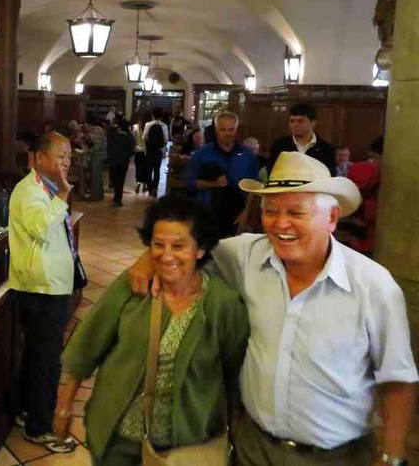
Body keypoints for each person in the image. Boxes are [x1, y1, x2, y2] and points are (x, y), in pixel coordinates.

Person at [129, 152, 418, 466]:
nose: (280, 224)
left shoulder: (373, 286)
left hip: (338, 458)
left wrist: (392, 456)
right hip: (253, 448)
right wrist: (149, 258)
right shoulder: (245, 256)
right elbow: (187, 247)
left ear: (332, 218)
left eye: (296, 212)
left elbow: (397, 379)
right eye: (270, 211)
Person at [55, 195, 249, 465]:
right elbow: (89, 342)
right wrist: (65, 404)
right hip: (118, 438)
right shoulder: (134, 285)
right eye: (158, 244)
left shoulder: (223, 304)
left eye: (179, 246)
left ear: (200, 249)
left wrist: (235, 435)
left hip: (185, 447)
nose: (166, 255)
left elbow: (234, 375)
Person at [8, 131, 79, 454]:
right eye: (59, 156)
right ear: (38, 158)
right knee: (48, 360)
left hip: (49, 283)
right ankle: (40, 427)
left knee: (37, 354)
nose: (66, 161)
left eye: (68, 156)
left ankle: (26, 410)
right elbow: (40, 228)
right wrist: (63, 195)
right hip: (41, 287)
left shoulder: (45, 188)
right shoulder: (28, 191)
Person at [187, 111, 258, 237]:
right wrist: (213, 183)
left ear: (236, 130)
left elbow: (253, 187)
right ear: (216, 130)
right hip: (208, 213)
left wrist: (246, 214)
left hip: (237, 213)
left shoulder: (248, 155)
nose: (227, 134)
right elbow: (190, 182)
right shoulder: (202, 154)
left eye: (231, 129)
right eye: (223, 129)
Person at [267, 103, 335, 176]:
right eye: (292, 121)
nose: (295, 125)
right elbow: (272, 173)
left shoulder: (325, 148)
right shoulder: (280, 145)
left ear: (313, 123)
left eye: (300, 121)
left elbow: (329, 175)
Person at [106, 120, 135, 207]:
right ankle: (117, 200)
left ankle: (113, 185)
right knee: (120, 180)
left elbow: (108, 148)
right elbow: (131, 152)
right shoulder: (130, 138)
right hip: (123, 162)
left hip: (113, 161)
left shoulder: (112, 136)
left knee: (114, 178)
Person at [143, 109, 168, 198]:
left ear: (152, 115)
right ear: (161, 116)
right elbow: (166, 139)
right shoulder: (164, 126)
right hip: (158, 151)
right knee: (157, 170)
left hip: (149, 151)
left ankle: (149, 189)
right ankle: (155, 189)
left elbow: (145, 137)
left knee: (149, 170)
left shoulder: (148, 125)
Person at [131, 113, 148, 194]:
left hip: (137, 151)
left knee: (138, 168)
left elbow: (133, 139)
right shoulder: (147, 127)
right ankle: (144, 185)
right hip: (145, 151)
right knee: (145, 168)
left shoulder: (135, 128)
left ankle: (138, 182)